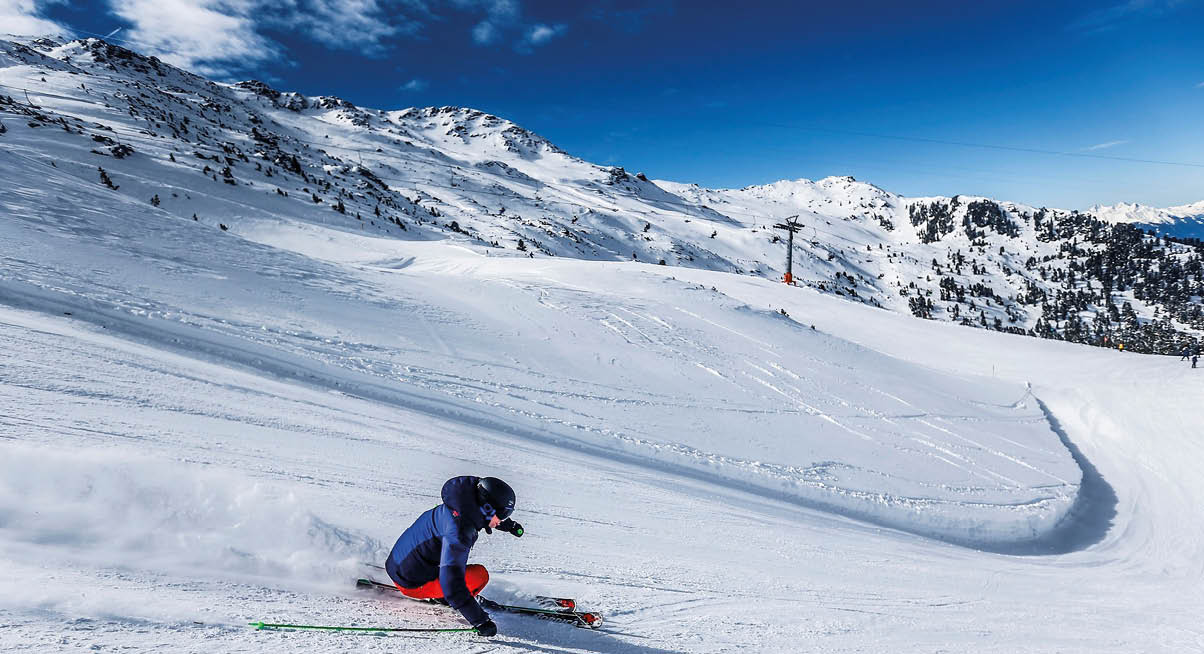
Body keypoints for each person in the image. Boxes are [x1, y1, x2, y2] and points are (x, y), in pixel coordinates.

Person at [385, 476, 523, 637]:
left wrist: (508, 525)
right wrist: (480, 621)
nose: (502, 519)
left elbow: (480, 512)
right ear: (487, 509)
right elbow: (452, 583)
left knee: (455, 563)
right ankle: (443, 597)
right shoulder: (459, 532)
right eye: (502, 515)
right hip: (412, 583)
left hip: (396, 563)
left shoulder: (459, 505)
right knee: (479, 575)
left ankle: (440, 592)